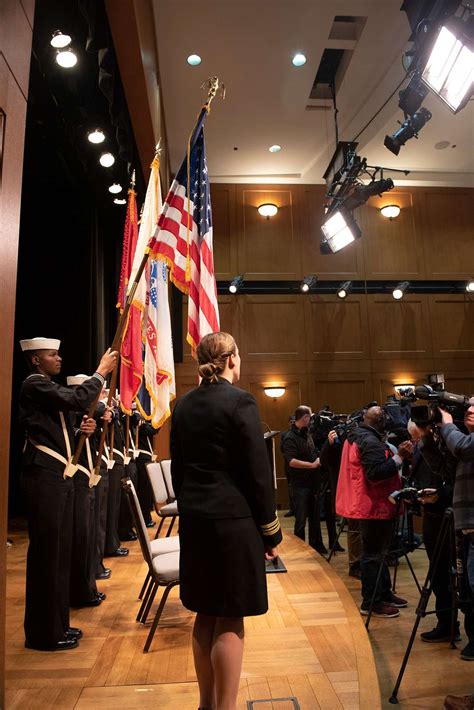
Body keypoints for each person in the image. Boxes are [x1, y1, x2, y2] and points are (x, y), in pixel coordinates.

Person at [170, 332, 282, 710]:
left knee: (205, 613)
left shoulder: (182, 405)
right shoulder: (241, 402)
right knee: (231, 618)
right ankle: (226, 708)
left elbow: (179, 471)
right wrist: (271, 531)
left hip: (196, 520)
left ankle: (205, 704)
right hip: (233, 524)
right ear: (233, 359)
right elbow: (258, 473)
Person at [19, 337, 117, 651]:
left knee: (59, 554)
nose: (59, 358)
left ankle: (59, 624)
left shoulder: (46, 386)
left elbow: (57, 428)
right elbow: (77, 400)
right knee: (47, 556)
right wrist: (100, 373)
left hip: (55, 476)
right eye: (52, 354)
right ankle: (43, 633)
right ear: (36, 360)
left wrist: (79, 433)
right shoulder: (33, 384)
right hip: (43, 477)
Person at [336, 405, 412, 618]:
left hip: (369, 504)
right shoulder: (370, 442)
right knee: (373, 555)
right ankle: (372, 602)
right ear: (380, 422)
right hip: (373, 506)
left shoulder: (357, 435)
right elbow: (376, 474)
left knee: (380, 554)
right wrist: (400, 458)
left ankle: (385, 593)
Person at [406, 419, 459, 642]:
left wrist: (439, 494)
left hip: (447, 516)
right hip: (433, 516)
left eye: (418, 436)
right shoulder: (423, 448)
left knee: (448, 573)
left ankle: (449, 623)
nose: (415, 441)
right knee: (438, 573)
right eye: (414, 437)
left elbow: (451, 479)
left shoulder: (448, 447)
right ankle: (446, 622)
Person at [280, 406, 324, 552]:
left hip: (312, 483)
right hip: (299, 485)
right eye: (310, 417)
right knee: (300, 521)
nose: (311, 420)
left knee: (314, 518)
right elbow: (291, 461)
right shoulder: (290, 438)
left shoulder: (307, 433)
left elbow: (311, 452)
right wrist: (312, 465)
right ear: (305, 418)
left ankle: (313, 548)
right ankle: (300, 550)